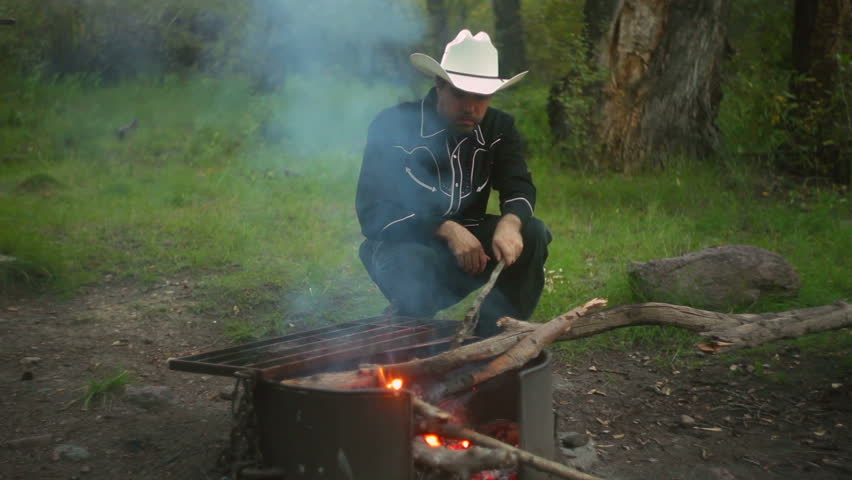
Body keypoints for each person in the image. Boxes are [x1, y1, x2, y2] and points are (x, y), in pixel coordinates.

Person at [356, 29, 551, 337]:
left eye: (481, 97)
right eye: (459, 94)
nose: (470, 107)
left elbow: (518, 184)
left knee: (534, 231)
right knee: (415, 264)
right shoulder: (393, 124)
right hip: (403, 245)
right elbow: (373, 212)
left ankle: (490, 335)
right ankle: (409, 325)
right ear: (439, 85)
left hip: (473, 249)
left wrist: (511, 223)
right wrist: (447, 228)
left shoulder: (499, 127)